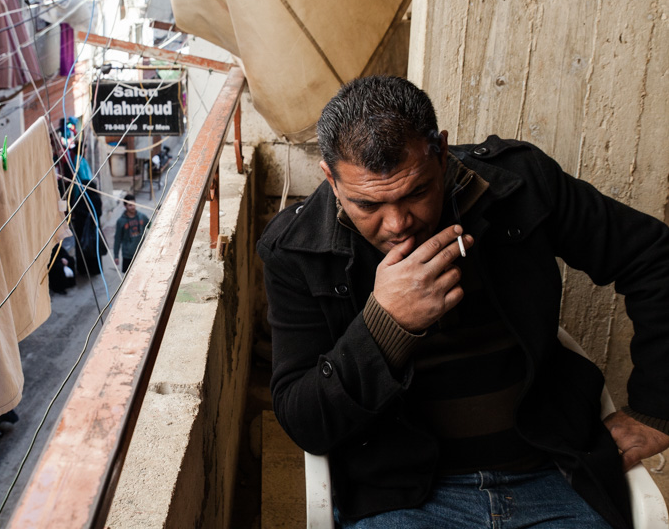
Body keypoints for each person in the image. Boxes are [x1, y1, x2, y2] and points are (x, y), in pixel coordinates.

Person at [256, 76, 669, 529]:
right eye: (368, 205)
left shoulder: (518, 185)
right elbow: (305, 422)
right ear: (331, 180)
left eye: (416, 192)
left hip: (553, 471)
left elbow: (653, 256)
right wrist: (384, 326)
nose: (397, 224)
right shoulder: (296, 249)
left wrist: (656, 408)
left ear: (442, 153)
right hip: (400, 497)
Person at [113, 194, 149, 272]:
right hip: (128, 255)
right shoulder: (121, 221)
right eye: (130, 205)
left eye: (134, 204)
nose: (133, 207)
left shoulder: (142, 217)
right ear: (125, 206)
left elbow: (152, 225)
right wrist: (116, 255)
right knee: (128, 275)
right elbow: (117, 239)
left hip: (141, 253)